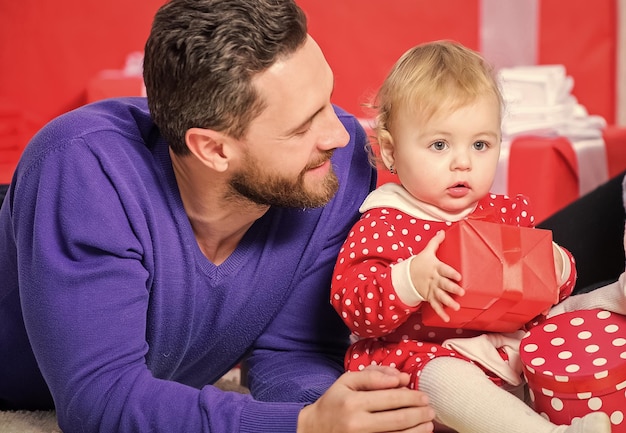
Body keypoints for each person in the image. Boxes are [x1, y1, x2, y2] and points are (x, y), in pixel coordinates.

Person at [0, 1, 436, 432]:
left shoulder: (330, 169)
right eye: (302, 127)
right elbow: (100, 400)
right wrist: (301, 425)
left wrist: (338, 415)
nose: (340, 135)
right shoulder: (84, 169)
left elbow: (293, 352)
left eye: (327, 101)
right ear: (213, 148)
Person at [330, 41, 613, 433]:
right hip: (429, 357)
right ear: (392, 152)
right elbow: (353, 304)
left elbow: (551, 292)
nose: (463, 161)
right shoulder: (387, 222)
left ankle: (617, 297)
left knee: (572, 315)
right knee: (442, 377)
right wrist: (410, 280)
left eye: (480, 144)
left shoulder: (505, 214)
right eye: (439, 145)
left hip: (510, 344)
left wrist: (557, 265)